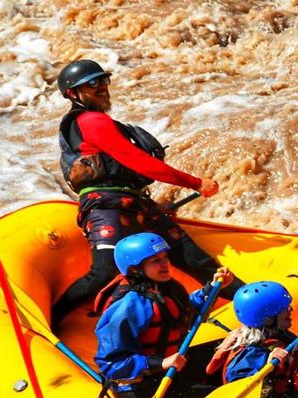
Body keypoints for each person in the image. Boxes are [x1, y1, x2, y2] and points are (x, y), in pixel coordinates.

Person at [52, 59, 243, 324]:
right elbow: (139, 161)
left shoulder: (98, 120)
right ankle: (51, 319)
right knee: (103, 273)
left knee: (194, 259)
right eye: (92, 84)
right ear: (73, 94)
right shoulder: (91, 120)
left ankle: (250, 302)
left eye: (103, 80)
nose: (101, 87)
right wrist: (195, 183)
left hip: (136, 204)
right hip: (106, 207)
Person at [90, 232, 227, 398]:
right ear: (135, 269)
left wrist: (212, 288)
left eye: (164, 257)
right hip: (141, 387)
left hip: (172, 368)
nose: (165, 264)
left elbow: (187, 311)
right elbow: (110, 364)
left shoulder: (165, 287)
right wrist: (160, 363)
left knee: (231, 350)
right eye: (155, 260)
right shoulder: (128, 306)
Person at [205, 281, 298, 398]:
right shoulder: (250, 355)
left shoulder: (280, 335)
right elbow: (241, 397)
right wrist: (267, 368)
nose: (290, 311)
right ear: (269, 319)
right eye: (285, 309)